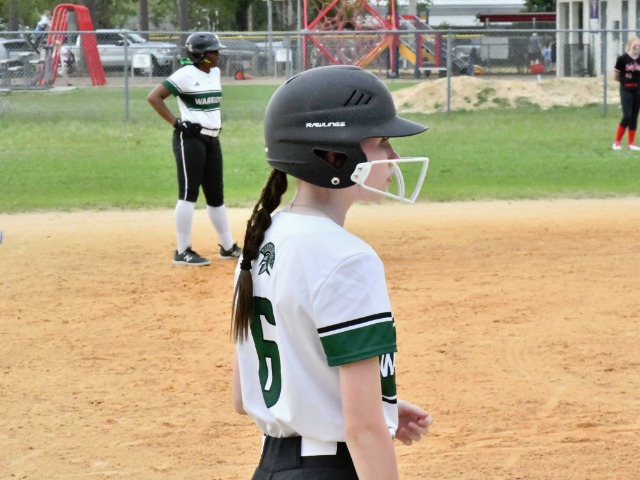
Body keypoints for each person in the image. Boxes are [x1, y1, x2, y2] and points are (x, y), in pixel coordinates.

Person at [231, 65, 434, 479]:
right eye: (381, 142)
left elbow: (243, 394)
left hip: (273, 469)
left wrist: (375, 404)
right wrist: (368, 416)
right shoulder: (347, 257)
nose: (393, 158)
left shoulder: (263, 238)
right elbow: (363, 430)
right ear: (334, 156)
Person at [147, 32, 241, 266]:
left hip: (213, 140)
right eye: (213, 51)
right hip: (190, 139)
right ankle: (182, 251)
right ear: (200, 55)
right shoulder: (185, 75)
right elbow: (154, 97)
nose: (217, 55)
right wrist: (177, 123)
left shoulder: (214, 73)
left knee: (216, 196)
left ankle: (228, 247)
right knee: (189, 194)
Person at [612, 36, 640, 151]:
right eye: (635, 45)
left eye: (639, 46)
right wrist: (624, 82)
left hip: (637, 89)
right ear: (629, 46)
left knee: (634, 116)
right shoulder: (622, 59)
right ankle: (617, 142)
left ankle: (631, 143)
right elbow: (616, 76)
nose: (637, 48)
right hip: (626, 89)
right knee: (627, 116)